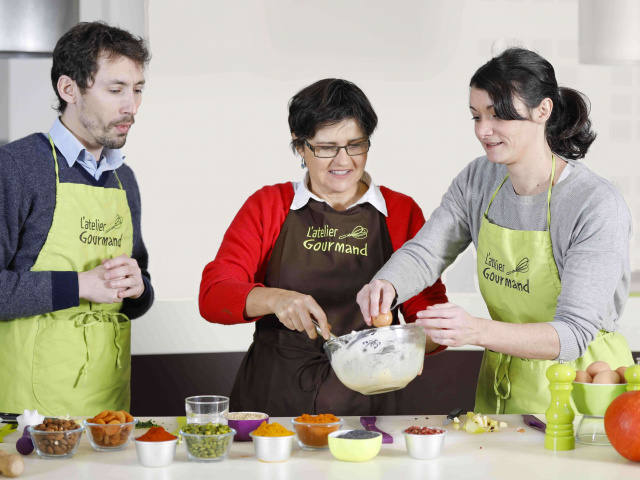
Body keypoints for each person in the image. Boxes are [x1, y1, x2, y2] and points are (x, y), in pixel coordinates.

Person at [357, 48, 633, 415]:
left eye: (498, 115)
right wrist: (386, 285)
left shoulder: (594, 203)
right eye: (476, 116)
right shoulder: (479, 179)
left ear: (543, 111)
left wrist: (476, 331)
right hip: (502, 388)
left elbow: (572, 334)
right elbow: (426, 253)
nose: (483, 131)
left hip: (581, 390)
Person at [199, 79, 447, 416]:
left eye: (355, 145)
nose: (343, 161)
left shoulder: (401, 213)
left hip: (365, 407)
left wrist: (411, 346)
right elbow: (214, 296)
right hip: (273, 403)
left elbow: (430, 319)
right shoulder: (269, 205)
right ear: (300, 147)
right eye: (326, 147)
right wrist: (277, 299)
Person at [0, 22, 154, 416]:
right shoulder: (16, 167)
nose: (131, 107)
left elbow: (138, 291)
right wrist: (80, 285)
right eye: (116, 89)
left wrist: (138, 289)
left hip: (108, 408)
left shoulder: (125, 181)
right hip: (26, 416)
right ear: (68, 89)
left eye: (137, 90)